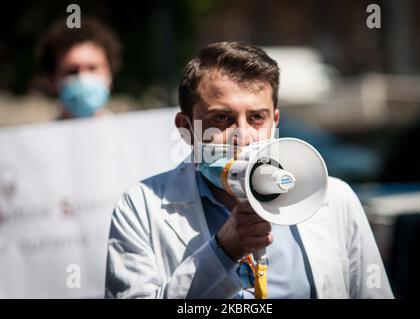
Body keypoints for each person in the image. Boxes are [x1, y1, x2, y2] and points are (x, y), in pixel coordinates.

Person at [105, 41, 393, 299]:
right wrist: (221, 253)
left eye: (257, 118)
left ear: (274, 121)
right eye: (222, 118)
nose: (242, 136)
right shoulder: (141, 207)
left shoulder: (333, 198)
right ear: (186, 128)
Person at [36, 17, 121, 119]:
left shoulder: (128, 133)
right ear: (52, 79)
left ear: (109, 72)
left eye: (92, 68)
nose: (83, 77)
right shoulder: (43, 134)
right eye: (72, 71)